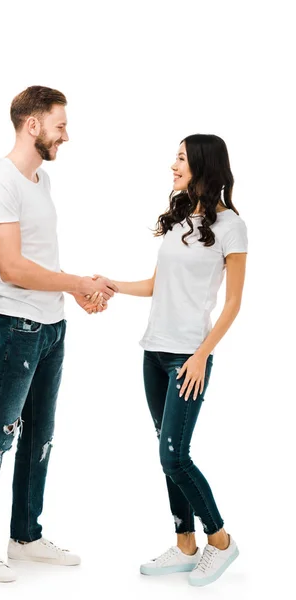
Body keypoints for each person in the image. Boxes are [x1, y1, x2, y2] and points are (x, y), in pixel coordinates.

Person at [0, 85, 115, 583]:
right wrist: (75, 283)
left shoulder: (40, 181)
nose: (66, 135)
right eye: (60, 125)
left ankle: (24, 535)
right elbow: (12, 268)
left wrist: (76, 293)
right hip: (15, 328)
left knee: (39, 438)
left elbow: (40, 261)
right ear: (33, 125)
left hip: (50, 328)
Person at [93, 134, 247, 587]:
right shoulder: (181, 220)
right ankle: (185, 544)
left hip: (187, 356)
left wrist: (201, 355)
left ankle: (219, 540)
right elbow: (157, 284)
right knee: (167, 453)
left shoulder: (232, 226)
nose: (172, 165)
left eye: (180, 158)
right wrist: (112, 284)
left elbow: (234, 302)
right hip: (154, 350)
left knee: (175, 455)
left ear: (202, 163)